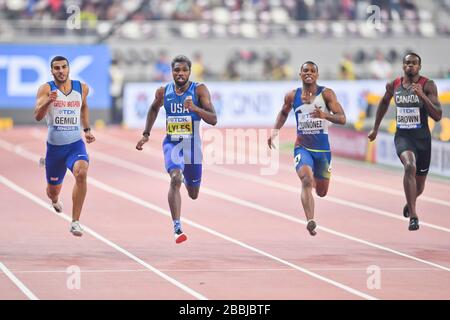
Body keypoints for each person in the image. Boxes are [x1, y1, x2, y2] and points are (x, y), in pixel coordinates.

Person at [136, 55, 217, 244]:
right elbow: (154, 108)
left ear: (190, 71)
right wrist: (146, 134)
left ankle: (188, 178)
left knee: (193, 193)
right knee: (175, 178)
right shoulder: (163, 91)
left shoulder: (199, 90)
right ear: (171, 72)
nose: (180, 74)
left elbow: (213, 119)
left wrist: (195, 108)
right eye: (176, 70)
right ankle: (177, 227)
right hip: (172, 144)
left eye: (184, 70)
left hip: (192, 148)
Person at [268, 61, 346, 236]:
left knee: (322, 191)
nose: (309, 73)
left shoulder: (326, 94)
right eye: (305, 71)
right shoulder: (292, 96)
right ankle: (310, 220)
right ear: (300, 74)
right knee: (306, 180)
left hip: (323, 151)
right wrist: (274, 132)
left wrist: (324, 115)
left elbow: (342, 118)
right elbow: (283, 112)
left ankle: (318, 184)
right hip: (302, 148)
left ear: (317, 75)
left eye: (312, 71)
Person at [368, 52, 442, 231]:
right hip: (403, 137)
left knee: (420, 185)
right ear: (403, 66)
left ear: (419, 67)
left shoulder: (428, 85)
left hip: (423, 139)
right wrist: (376, 128)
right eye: (407, 63)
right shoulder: (394, 85)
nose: (410, 66)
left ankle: (410, 203)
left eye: (414, 63)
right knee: (410, 166)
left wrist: (422, 96)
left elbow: (438, 116)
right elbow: (384, 103)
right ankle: (414, 217)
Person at [34, 56, 95, 236]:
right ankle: (54, 200)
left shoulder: (81, 87)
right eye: (57, 68)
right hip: (55, 149)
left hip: (75, 145)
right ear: (51, 71)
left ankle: (75, 222)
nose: (61, 71)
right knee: (52, 191)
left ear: (68, 68)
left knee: (82, 173)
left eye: (64, 67)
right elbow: (37, 115)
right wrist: (48, 101)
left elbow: (83, 106)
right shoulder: (46, 89)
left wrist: (87, 129)